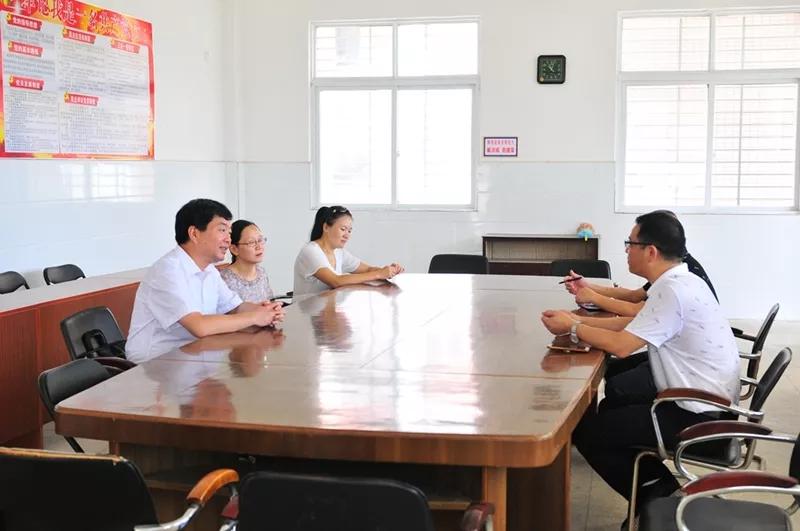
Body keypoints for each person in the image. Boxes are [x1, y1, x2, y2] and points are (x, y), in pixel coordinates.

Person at [541, 211, 739, 523]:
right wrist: (576, 321)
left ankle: (657, 494)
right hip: (704, 403)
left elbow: (622, 346)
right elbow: (632, 324)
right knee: (611, 408)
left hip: (699, 416)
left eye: (630, 243)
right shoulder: (678, 281)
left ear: (651, 251)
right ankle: (653, 490)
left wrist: (574, 327)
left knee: (587, 431)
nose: (626, 250)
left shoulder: (673, 290)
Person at [126, 199, 285, 363]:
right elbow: (199, 326)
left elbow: (235, 307)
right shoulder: (168, 271)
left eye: (229, 232)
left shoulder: (209, 270)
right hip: (154, 363)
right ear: (194, 233)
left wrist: (265, 310)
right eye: (222, 230)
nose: (228, 239)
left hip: (194, 355)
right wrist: (254, 317)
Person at [293, 205, 404, 296]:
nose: (347, 235)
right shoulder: (311, 251)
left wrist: (388, 271)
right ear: (326, 227)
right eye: (343, 229)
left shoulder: (339, 252)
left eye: (349, 231)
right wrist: (379, 274)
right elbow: (336, 281)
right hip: (305, 313)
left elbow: (367, 269)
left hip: (325, 311)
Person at [220, 220, 275, 303]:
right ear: (234, 249)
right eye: (251, 242)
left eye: (260, 240)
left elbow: (271, 302)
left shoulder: (261, 272)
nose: (259, 246)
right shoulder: (225, 279)